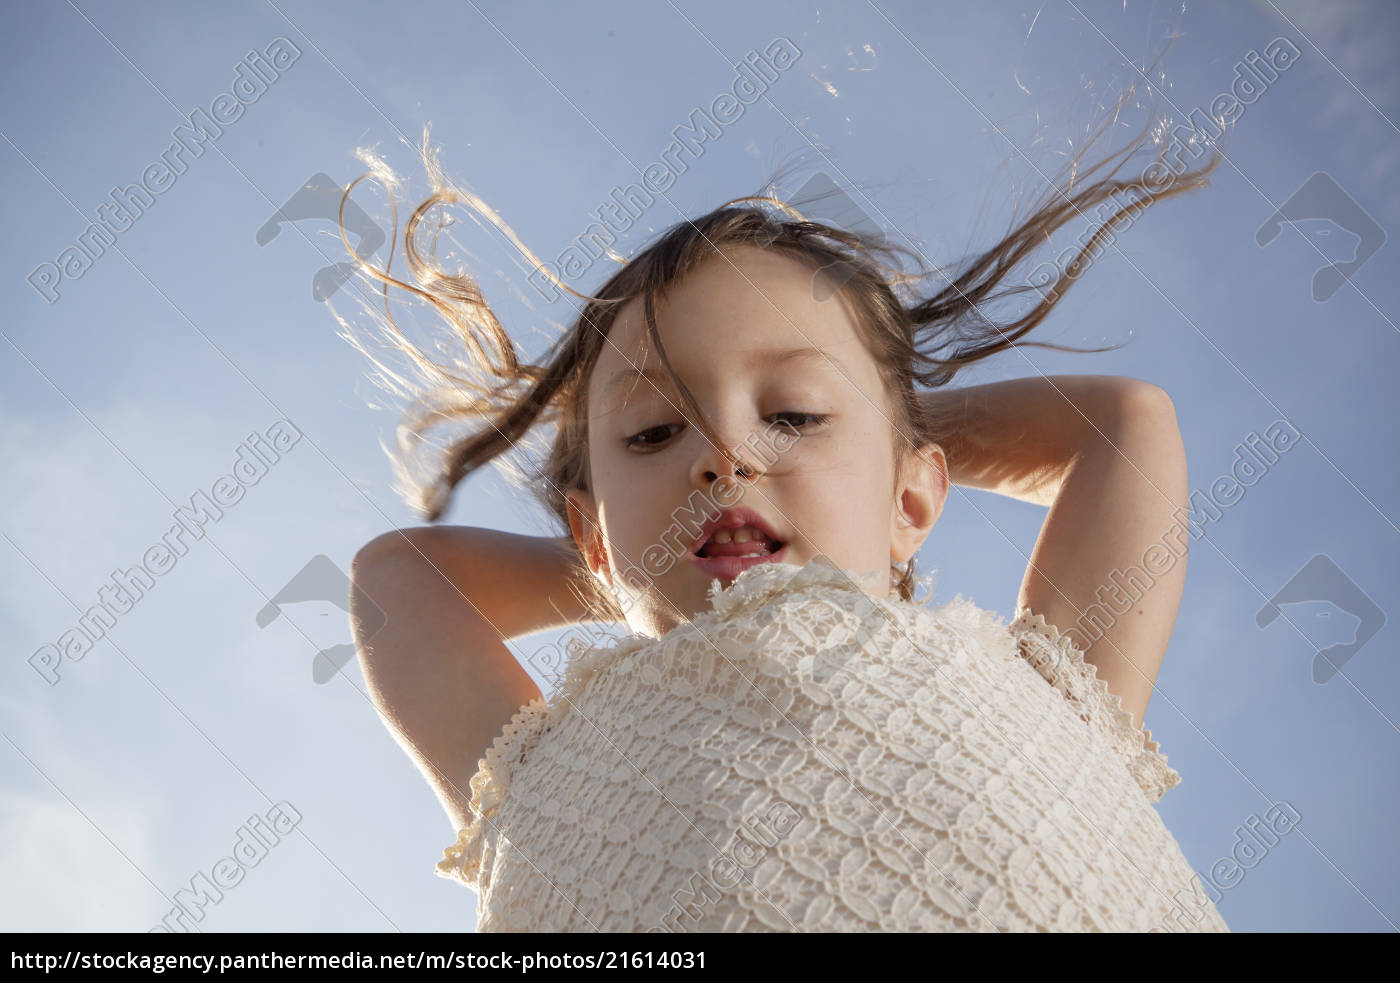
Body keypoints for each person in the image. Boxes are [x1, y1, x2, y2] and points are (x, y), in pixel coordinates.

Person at [345, 79, 1230, 933]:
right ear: (592, 541)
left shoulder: (1050, 701)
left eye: (796, 412)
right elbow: (398, 576)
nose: (725, 456)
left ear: (915, 499)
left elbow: (1123, 422)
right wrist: (632, 554)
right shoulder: (539, 775)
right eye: (654, 432)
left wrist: (882, 436)